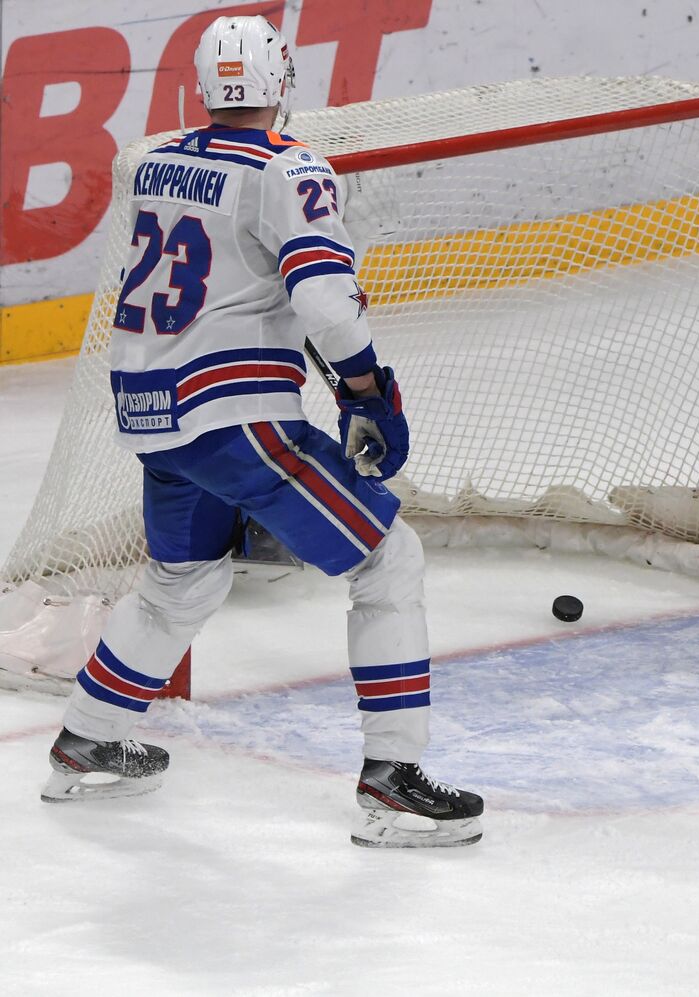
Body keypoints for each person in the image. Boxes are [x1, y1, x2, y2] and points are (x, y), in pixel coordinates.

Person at [38, 15, 483, 850]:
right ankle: (393, 781)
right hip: (232, 418)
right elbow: (319, 299)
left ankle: (88, 737)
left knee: (184, 583)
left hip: (152, 411)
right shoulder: (291, 166)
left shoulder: (155, 158)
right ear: (282, 83)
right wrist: (369, 389)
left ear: (200, 87)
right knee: (392, 558)